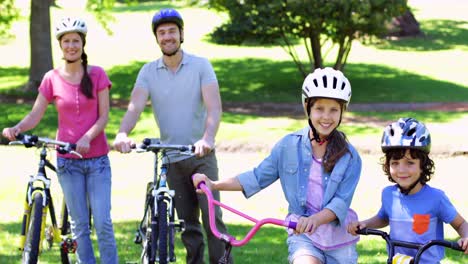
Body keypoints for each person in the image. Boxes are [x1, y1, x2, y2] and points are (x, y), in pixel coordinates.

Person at [193, 67, 362, 264]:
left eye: (334, 109)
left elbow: (340, 203)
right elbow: (257, 177)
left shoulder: (350, 157)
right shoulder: (288, 146)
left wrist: (315, 220)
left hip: (339, 242)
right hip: (304, 236)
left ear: (343, 111)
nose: (326, 116)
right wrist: (214, 184)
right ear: (307, 108)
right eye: (319, 109)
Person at [112, 8, 231, 264]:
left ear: (181, 34)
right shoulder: (148, 72)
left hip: (201, 156)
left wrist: (208, 138)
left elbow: (214, 107)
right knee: (188, 225)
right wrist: (122, 132)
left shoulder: (201, 65)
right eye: (162, 33)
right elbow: (135, 106)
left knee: (213, 222)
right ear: (157, 38)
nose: (167, 37)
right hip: (171, 159)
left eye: (172, 32)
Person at [2, 17, 118, 263]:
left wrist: (86, 138)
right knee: (79, 225)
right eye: (67, 41)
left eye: (76, 40)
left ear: (83, 43)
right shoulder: (51, 78)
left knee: (103, 221)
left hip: (97, 160)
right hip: (68, 162)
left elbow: (104, 116)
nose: (71, 45)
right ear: (60, 45)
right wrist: (17, 127)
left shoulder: (97, 74)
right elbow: (36, 114)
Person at [347, 117, 468, 262]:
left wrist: (466, 236)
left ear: (423, 165)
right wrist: (365, 224)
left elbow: (461, 224)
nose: (401, 170)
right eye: (395, 163)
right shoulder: (388, 194)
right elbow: (384, 217)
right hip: (397, 260)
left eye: (410, 163)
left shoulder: (436, 198)